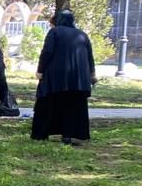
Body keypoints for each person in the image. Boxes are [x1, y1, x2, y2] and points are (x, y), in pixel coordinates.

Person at [31, 9, 97, 145]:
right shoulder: (82, 34)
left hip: (56, 78)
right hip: (79, 80)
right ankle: (72, 135)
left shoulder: (54, 32)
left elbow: (47, 52)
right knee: (73, 106)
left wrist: (40, 71)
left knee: (48, 103)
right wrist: (92, 74)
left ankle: (43, 133)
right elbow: (90, 57)